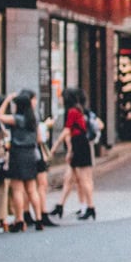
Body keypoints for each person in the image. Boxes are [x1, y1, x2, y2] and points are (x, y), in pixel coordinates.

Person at [0, 90, 50, 233]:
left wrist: (7, 100)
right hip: (30, 154)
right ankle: (38, 219)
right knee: (32, 189)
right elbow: (39, 139)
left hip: (17, 154)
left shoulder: (17, 119)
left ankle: (20, 220)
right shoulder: (33, 119)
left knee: (18, 189)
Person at [51, 87, 96, 219]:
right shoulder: (78, 110)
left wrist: (54, 147)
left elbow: (67, 131)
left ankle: (90, 207)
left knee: (83, 179)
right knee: (71, 178)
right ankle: (61, 206)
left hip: (79, 145)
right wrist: (70, 151)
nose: (60, 99)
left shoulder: (72, 111)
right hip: (80, 145)